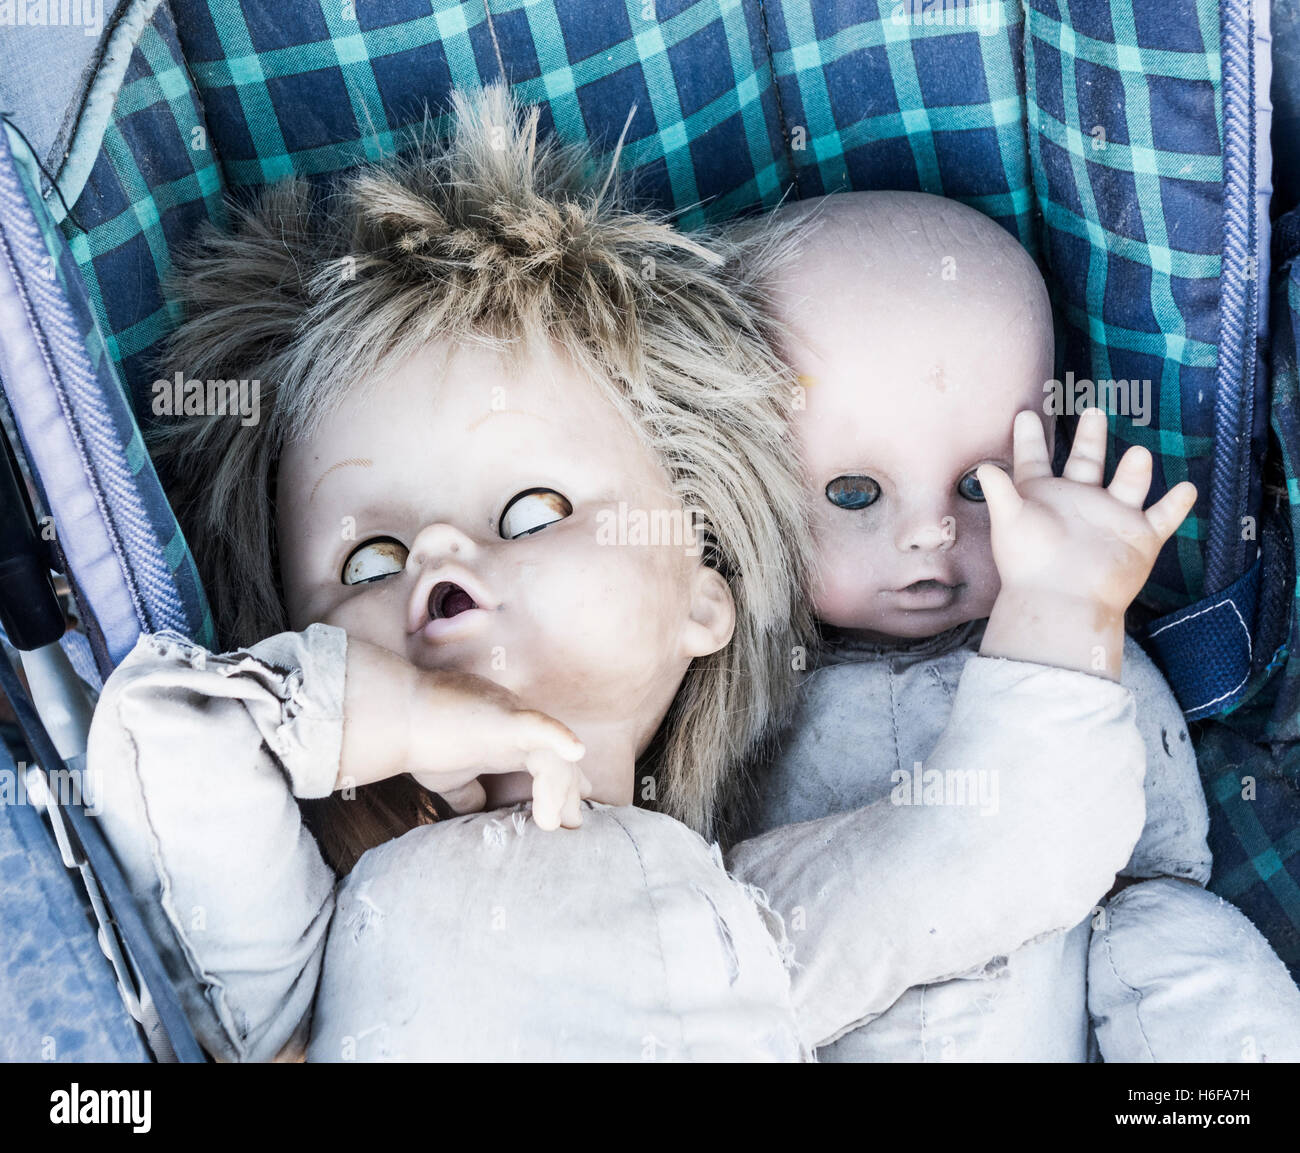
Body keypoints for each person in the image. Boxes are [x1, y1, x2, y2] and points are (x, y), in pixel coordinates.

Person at [87, 87, 1150, 1061]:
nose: (444, 560)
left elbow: (989, 847)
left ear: (702, 593)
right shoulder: (314, 935)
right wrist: (378, 715)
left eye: (532, 512)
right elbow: (166, 739)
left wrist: (1061, 603)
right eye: (371, 559)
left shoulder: (730, 914)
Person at [732, 188, 1300, 1061]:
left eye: (979, 485)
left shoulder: (1088, 647)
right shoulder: (730, 685)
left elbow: (1154, 864)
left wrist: (1072, 612)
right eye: (854, 492)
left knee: (1181, 942)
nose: (931, 530)